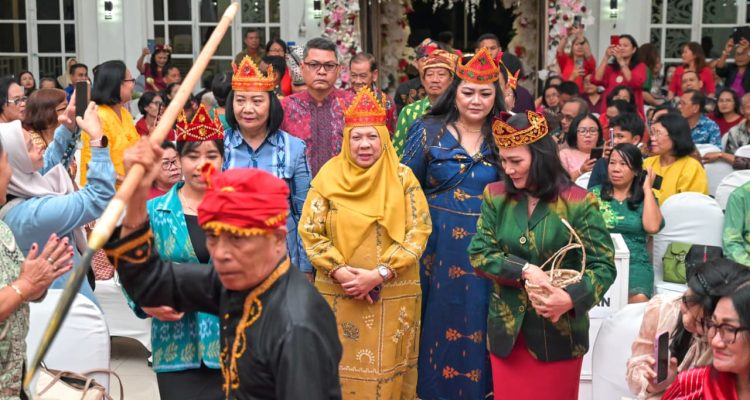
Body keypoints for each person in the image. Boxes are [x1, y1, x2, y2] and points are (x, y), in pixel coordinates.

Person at [105, 142, 343, 399]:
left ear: (277, 239)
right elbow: (148, 282)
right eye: (213, 237)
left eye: (237, 239)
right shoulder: (236, 282)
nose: (220, 253)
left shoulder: (297, 322)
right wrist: (138, 193)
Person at [468, 111, 616, 400]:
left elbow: (603, 265)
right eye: (503, 161)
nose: (508, 169)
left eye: (516, 161)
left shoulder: (577, 202)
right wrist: (524, 270)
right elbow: (479, 253)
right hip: (507, 334)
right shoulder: (495, 196)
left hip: (558, 335)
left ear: (540, 157)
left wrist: (570, 298)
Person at [299, 87, 431, 399]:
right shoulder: (329, 176)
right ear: (346, 140)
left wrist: (380, 274)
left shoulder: (403, 178)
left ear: (384, 139)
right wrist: (340, 271)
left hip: (392, 294)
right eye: (356, 137)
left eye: (372, 136)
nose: (364, 144)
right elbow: (311, 230)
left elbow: (419, 230)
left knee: (389, 372)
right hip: (339, 293)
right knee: (336, 370)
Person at [402, 48, 505, 400]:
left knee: (481, 319)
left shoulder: (504, 135)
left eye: (485, 93)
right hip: (434, 249)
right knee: (433, 321)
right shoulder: (426, 131)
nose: (476, 100)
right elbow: (404, 189)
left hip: (487, 250)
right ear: (454, 92)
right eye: (468, 92)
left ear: (495, 96)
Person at [125, 107, 225, 399]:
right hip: (176, 344)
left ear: (223, 159)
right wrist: (145, 303)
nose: (202, 164)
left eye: (212, 156)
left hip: (234, 342)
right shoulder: (155, 211)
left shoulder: (239, 209)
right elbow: (131, 266)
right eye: (192, 156)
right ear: (178, 160)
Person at [0, 101, 114, 304]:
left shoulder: (21, 188)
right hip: (65, 310)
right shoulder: (30, 215)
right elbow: (98, 196)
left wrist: (68, 127)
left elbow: (50, 164)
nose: (39, 146)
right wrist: (98, 139)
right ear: (14, 162)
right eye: (29, 146)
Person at [223, 56, 313, 277]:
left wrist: (305, 270)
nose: (247, 109)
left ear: (271, 104)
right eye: (240, 100)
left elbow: (304, 214)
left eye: (257, 101)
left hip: (282, 260)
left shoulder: (293, 148)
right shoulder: (218, 147)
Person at [627, 259, 750, 399]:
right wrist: (655, 383)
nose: (687, 320)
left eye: (703, 322)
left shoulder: (724, 355)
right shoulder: (664, 308)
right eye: (686, 302)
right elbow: (635, 373)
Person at [589, 143, 662, 303]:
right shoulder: (593, 195)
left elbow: (652, 227)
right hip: (599, 260)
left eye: (623, 164)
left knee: (638, 299)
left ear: (636, 170)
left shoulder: (645, 198)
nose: (616, 169)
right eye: (612, 163)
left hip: (635, 264)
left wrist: (647, 189)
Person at [280, 37, 354, 176]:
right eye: (314, 65)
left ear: (338, 70)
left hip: (344, 186)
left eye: (329, 66)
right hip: (298, 188)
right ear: (302, 68)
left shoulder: (352, 105)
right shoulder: (285, 107)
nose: (321, 71)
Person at [80, 60, 140, 187]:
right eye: (130, 80)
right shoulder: (97, 116)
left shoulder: (124, 113)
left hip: (128, 189)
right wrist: (128, 181)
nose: (133, 85)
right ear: (116, 84)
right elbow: (93, 166)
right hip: (104, 193)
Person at [392, 49, 458, 155]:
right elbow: (397, 152)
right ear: (423, 80)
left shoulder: (460, 111)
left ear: (451, 79)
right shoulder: (409, 112)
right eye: (429, 75)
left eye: (441, 74)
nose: (435, 80)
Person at [644, 112, 708, 203]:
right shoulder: (647, 163)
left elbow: (692, 205)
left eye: (658, 133)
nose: (652, 138)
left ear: (675, 136)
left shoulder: (691, 167)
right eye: (652, 133)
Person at [592, 34, 647, 118]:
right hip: (610, 113)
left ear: (634, 50)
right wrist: (606, 57)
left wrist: (621, 61)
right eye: (619, 45)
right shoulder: (611, 68)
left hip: (630, 113)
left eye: (625, 45)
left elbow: (635, 82)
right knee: (609, 126)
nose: (621, 48)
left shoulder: (640, 66)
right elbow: (596, 79)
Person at [588, 112, 645, 189]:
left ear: (635, 140)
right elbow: (592, 193)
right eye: (613, 136)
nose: (614, 141)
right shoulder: (602, 163)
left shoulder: (646, 163)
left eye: (620, 136)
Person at [348, 52, 397, 134]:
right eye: (353, 75)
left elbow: (392, 135)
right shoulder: (342, 100)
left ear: (374, 75)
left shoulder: (386, 101)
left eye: (363, 76)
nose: (357, 81)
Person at [706, 93, 750, 167]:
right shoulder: (735, 132)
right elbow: (729, 162)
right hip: (738, 173)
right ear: (742, 110)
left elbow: (730, 158)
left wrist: (721, 155)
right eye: (749, 107)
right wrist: (724, 156)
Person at [394, 39, 439, 112]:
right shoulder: (405, 89)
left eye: (433, 61)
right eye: (424, 60)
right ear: (416, 63)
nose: (429, 64)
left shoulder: (448, 87)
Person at [559, 113, 604, 180]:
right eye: (582, 131)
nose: (588, 135)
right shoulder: (564, 155)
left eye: (593, 131)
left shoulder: (605, 155)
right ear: (574, 133)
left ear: (599, 134)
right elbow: (561, 182)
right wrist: (581, 171)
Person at [556, 26, 596, 93]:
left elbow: (589, 55)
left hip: (581, 96)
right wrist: (566, 36)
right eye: (577, 44)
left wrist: (580, 37)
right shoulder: (566, 60)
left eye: (582, 45)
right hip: (566, 94)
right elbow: (559, 51)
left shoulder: (589, 63)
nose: (580, 47)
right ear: (572, 47)